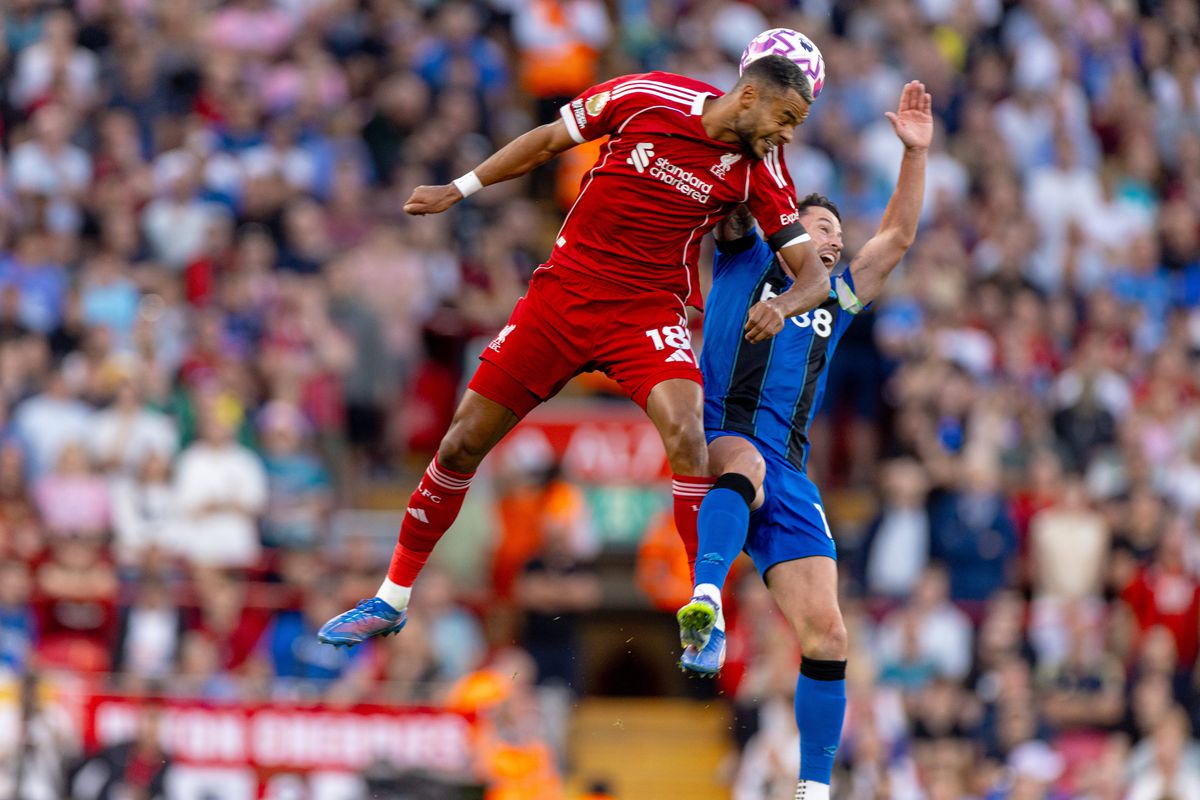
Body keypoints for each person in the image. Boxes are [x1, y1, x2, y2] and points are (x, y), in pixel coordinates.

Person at [320, 55, 840, 645]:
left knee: (687, 429)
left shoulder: (761, 172)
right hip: (562, 297)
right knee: (462, 442)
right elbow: (546, 142)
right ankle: (392, 598)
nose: (790, 134)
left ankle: (705, 608)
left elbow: (814, 278)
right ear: (748, 97)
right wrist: (458, 189)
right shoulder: (648, 95)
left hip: (645, 312)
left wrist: (783, 304)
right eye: (787, 116)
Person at [674, 81, 932, 800]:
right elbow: (736, 184)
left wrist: (914, 156)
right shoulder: (743, 253)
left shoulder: (837, 298)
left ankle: (814, 789)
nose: (834, 242)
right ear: (791, 226)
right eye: (821, 230)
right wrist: (762, 133)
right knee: (746, 462)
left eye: (837, 238)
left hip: (790, 471)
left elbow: (898, 239)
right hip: (722, 434)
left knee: (829, 635)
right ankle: (706, 603)